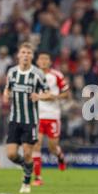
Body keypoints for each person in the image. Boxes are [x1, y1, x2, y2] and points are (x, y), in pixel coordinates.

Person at [3, 42, 51, 193]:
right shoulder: (12, 73)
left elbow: (48, 93)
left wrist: (39, 96)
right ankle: (27, 166)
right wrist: (5, 95)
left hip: (30, 121)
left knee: (28, 152)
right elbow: (7, 89)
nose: (25, 55)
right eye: (23, 52)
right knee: (11, 154)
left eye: (28, 53)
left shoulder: (38, 74)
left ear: (32, 56)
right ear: (18, 55)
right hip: (14, 119)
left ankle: (26, 182)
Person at [31, 51, 70, 186]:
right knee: (36, 145)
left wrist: (55, 97)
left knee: (53, 147)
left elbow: (66, 93)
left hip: (52, 115)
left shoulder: (56, 75)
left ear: (50, 62)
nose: (43, 61)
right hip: (37, 116)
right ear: (37, 61)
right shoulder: (32, 75)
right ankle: (38, 178)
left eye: (46, 59)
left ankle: (60, 156)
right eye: (41, 59)